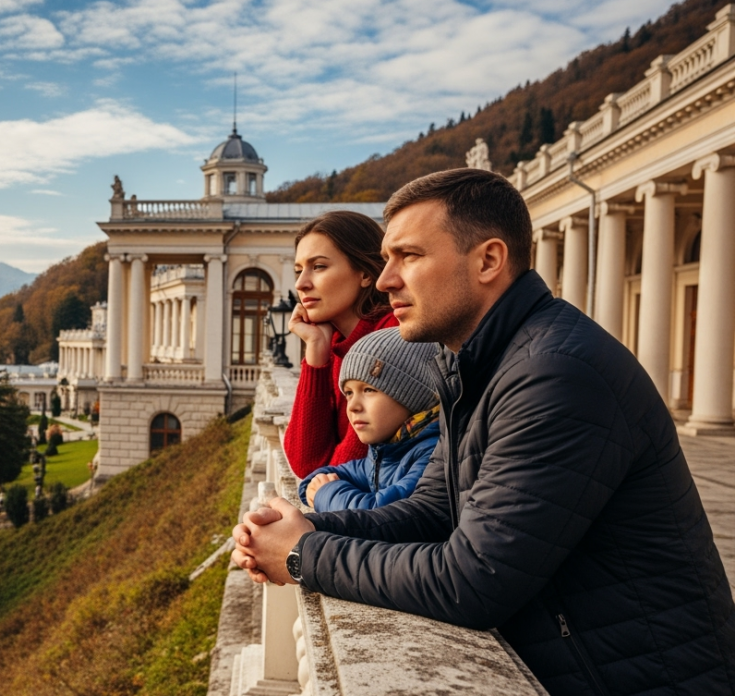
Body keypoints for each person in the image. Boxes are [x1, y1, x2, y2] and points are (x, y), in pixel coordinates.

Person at [232, 168, 735, 695]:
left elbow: (471, 581)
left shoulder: (555, 373)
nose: (384, 281)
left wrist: (302, 555)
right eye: (386, 259)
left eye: (410, 256)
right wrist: (307, 525)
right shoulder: (477, 365)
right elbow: (432, 511)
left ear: (489, 260)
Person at [282, 211, 398, 479]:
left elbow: (342, 472)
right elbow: (304, 463)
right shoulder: (335, 343)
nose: (301, 283)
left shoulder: (390, 336)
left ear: (366, 274)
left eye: (318, 266)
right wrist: (316, 355)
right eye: (299, 270)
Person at [298, 328, 439, 512]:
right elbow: (332, 473)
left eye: (368, 390)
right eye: (348, 393)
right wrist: (313, 484)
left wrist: (326, 492)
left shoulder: (432, 453)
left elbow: (379, 514)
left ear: (413, 396)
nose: (353, 406)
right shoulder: (383, 452)